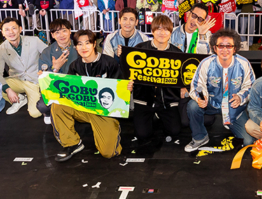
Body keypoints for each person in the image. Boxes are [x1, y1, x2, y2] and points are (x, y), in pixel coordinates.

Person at [50, 30, 126, 161]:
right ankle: (72, 144)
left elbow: (120, 92)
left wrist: (127, 87)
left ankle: (113, 127)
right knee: (57, 104)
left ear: (94, 44)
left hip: (103, 111)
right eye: (79, 44)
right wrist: (51, 73)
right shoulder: (75, 65)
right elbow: (66, 91)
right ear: (75, 47)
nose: (83, 47)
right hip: (83, 108)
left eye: (87, 43)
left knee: (109, 153)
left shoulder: (109, 62)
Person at [185, 27, 256, 152]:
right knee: (193, 106)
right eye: (220, 45)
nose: (224, 49)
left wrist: (240, 97)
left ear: (235, 48)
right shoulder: (206, 63)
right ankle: (200, 137)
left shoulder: (243, 63)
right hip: (211, 104)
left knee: (248, 141)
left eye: (228, 46)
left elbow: (251, 86)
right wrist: (201, 97)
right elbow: (197, 85)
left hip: (234, 108)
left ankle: (231, 123)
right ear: (214, 47)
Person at [131, 14, 186, 153]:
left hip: (167, 101)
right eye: (159, 29)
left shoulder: (177, 53)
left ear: (171, 32)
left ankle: (158, 116)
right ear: (152, 30)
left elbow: (183, 78)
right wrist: (130, 84)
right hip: (143, 100)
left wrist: (183, 87)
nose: (162, 33)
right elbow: (130, 73)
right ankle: (151, 117)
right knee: (143, 134)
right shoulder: (140, 49)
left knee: (175, 131)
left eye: (166, 29)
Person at [0, 17, 49, 117]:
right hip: (17, 80)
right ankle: (19, 99)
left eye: (14, 28)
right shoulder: (0, 49)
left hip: (34, 80)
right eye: (6, 29)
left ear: (20, 29)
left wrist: (44, 69)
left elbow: (48, 56)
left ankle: (37, 95)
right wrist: (8, 89)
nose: (11, 32)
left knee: (35, 113)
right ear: (2, 33)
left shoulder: (34, 40)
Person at [36, 18, 78, 124]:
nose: (61, 35)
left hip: (76, 87)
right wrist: (55, 69)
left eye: (64, 30)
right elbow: (43, 78)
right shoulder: (47, 52)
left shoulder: (79, 47)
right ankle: (49, 113)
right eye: (57, 32)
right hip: (56, 87)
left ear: (70, 31)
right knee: (42, 106)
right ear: (53, 35)